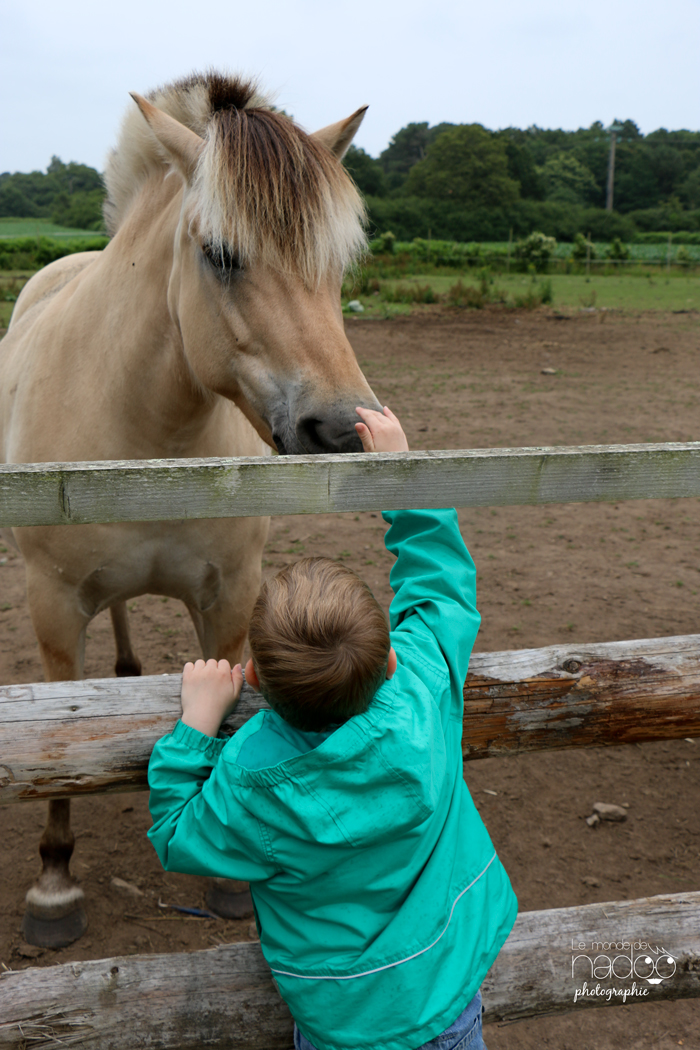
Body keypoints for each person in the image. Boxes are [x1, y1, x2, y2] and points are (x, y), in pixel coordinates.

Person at [147, 405, 517, 1050]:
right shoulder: (421, 690)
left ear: (253, 677)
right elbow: (442, 589)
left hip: (340, 1021)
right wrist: (402, 477)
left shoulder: (251, 780)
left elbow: (177, 837)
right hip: (449, 991)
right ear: (392, 657)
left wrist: (197, 728)